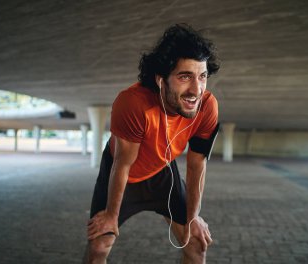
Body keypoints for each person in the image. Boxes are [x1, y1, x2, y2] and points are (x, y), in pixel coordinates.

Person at [86, 23, 220, 264]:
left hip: (162, 170)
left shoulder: (207, 107)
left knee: (196, 242)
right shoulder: (133, 103)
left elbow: (196, 165)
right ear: (161, 80)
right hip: (124, 173)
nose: (196, 89)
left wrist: (193, 218)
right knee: (100, 244)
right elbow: (122, 164)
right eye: (184, 77)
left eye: (202, 76)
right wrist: (111, 216)